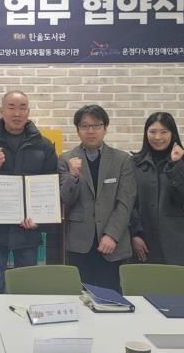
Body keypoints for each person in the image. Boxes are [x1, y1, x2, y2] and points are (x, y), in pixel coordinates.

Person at [0, 91, 57, 293]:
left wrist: (39, 220)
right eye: (11, 107)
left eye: (22, 108)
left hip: (27, 230)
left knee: (26, 287)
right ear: (1, 111)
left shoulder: (43, 145)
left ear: (28, 112)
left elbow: (51, 187)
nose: (17, 113)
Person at [58, 105, 136, 291]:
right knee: (80, 295)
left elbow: (125, 202)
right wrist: (73, 176)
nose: (90, 131)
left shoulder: (122, 160)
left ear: (105, 128)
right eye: (85, 126)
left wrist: (112, 235)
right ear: (78, 130)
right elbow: (66, 199)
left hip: (112, 242)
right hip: (80, 242)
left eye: (96, 125)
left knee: (111, 297)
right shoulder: (66, 159)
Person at [129, 112, 184, 267]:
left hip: (178, 240)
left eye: (164, 132)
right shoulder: (134, 163)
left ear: (173, 134)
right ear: (146, 134)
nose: (158, 137)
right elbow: (129, 202)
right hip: (144, 239)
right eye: (152, 132)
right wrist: (135, 234)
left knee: (179, 281)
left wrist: (177, 163)